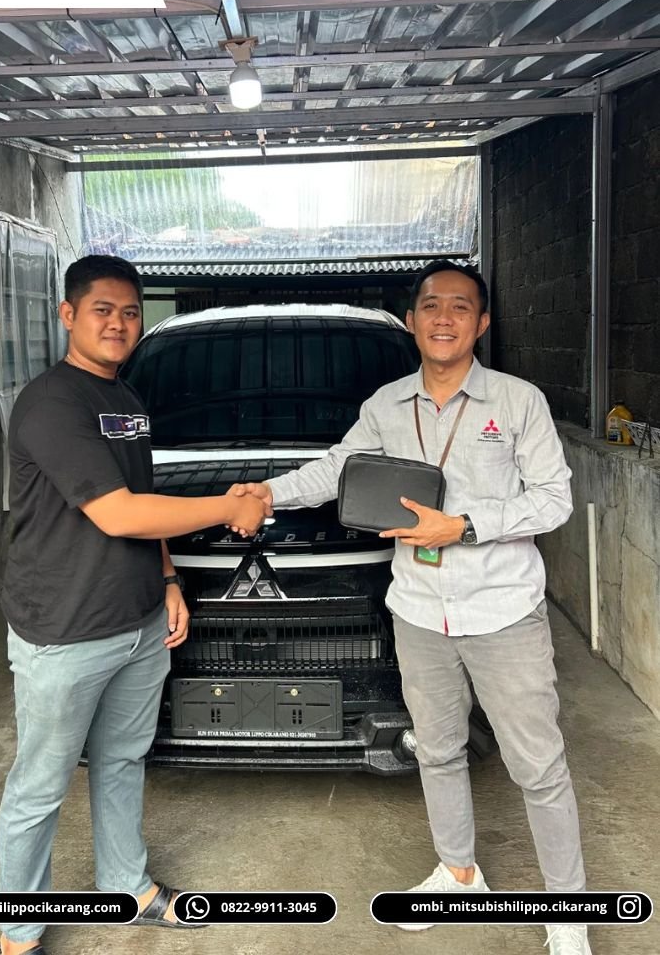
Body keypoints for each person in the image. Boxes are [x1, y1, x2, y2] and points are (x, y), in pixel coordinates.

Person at [228, 261, 591, 955]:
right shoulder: (387, 405)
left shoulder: (518, 402)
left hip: (502, 611)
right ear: (411, 320)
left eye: (460, 307)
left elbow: (554, 499)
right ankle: (460, 875)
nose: (444, 318)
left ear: (482, 323)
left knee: (538, 766)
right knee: (439, 751)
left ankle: (568, 911)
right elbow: (337, 470)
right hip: (420, 612)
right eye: (431, 306)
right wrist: (267, 493)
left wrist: (465, 526)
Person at [0, 254, 267, 955]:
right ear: (68, 315)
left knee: (121, 762)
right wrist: (228, 506)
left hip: (139, 622)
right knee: (40, 787)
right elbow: (116, 513)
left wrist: (169, 581)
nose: (118, 324)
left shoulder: (128, 400)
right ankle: (19, 936)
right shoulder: (51, 403)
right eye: (102, 310)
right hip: (65, 630)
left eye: (129, 312)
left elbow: (146, 503)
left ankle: (129, 887)